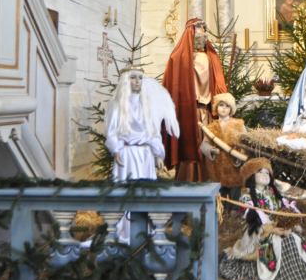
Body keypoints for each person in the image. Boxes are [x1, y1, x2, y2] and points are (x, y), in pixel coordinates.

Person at [219, 158, 306, 280]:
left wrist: (288, 224)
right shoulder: (247, 197)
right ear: (251, 176)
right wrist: (273, 230)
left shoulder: (273, 193)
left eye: (267, 173)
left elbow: (282, 212)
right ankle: (274, 279)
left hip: (279, 228)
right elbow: (254, 221)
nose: (265, 175)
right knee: (274, 245)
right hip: (259, 232)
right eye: (260, 172)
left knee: (293, 240)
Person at [105, 67, 180, 243]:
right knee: (125, 191)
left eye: (140, 77)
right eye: (133, 77)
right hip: (127, 155)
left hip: (145, 155)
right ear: (126, 80)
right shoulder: (118, 105)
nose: (137, 81)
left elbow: (153, 132)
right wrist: (116, 149)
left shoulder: (147, 105)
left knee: (146, 192)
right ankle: (125, 229)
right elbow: (112, 131)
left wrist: (158, 154)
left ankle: (147, 228)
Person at [161, 18, 228, 181]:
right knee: (190, 144)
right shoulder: (179, 58)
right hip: (187, 111)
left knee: (208, 144)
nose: (202, 37)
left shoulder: (211, 57)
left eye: (204, 34)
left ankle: (207, 179)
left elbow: (218, 85)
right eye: (198, 34)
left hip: (208, 110)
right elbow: (172, 86)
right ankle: (189, 179)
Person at [204, 92, 247, 197]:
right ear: (216, 107)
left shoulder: (238, 124)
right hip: (217, 167)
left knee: (235, 193)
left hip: (234, 165)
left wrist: (240, 156)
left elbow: (245, 143)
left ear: (231, 109)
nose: (224, 108)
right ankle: (220, 206)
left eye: (227, 106)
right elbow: (204, 144)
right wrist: (212, 150)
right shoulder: (211, 127)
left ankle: (234, 206)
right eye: (221, 105)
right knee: (220, 196)